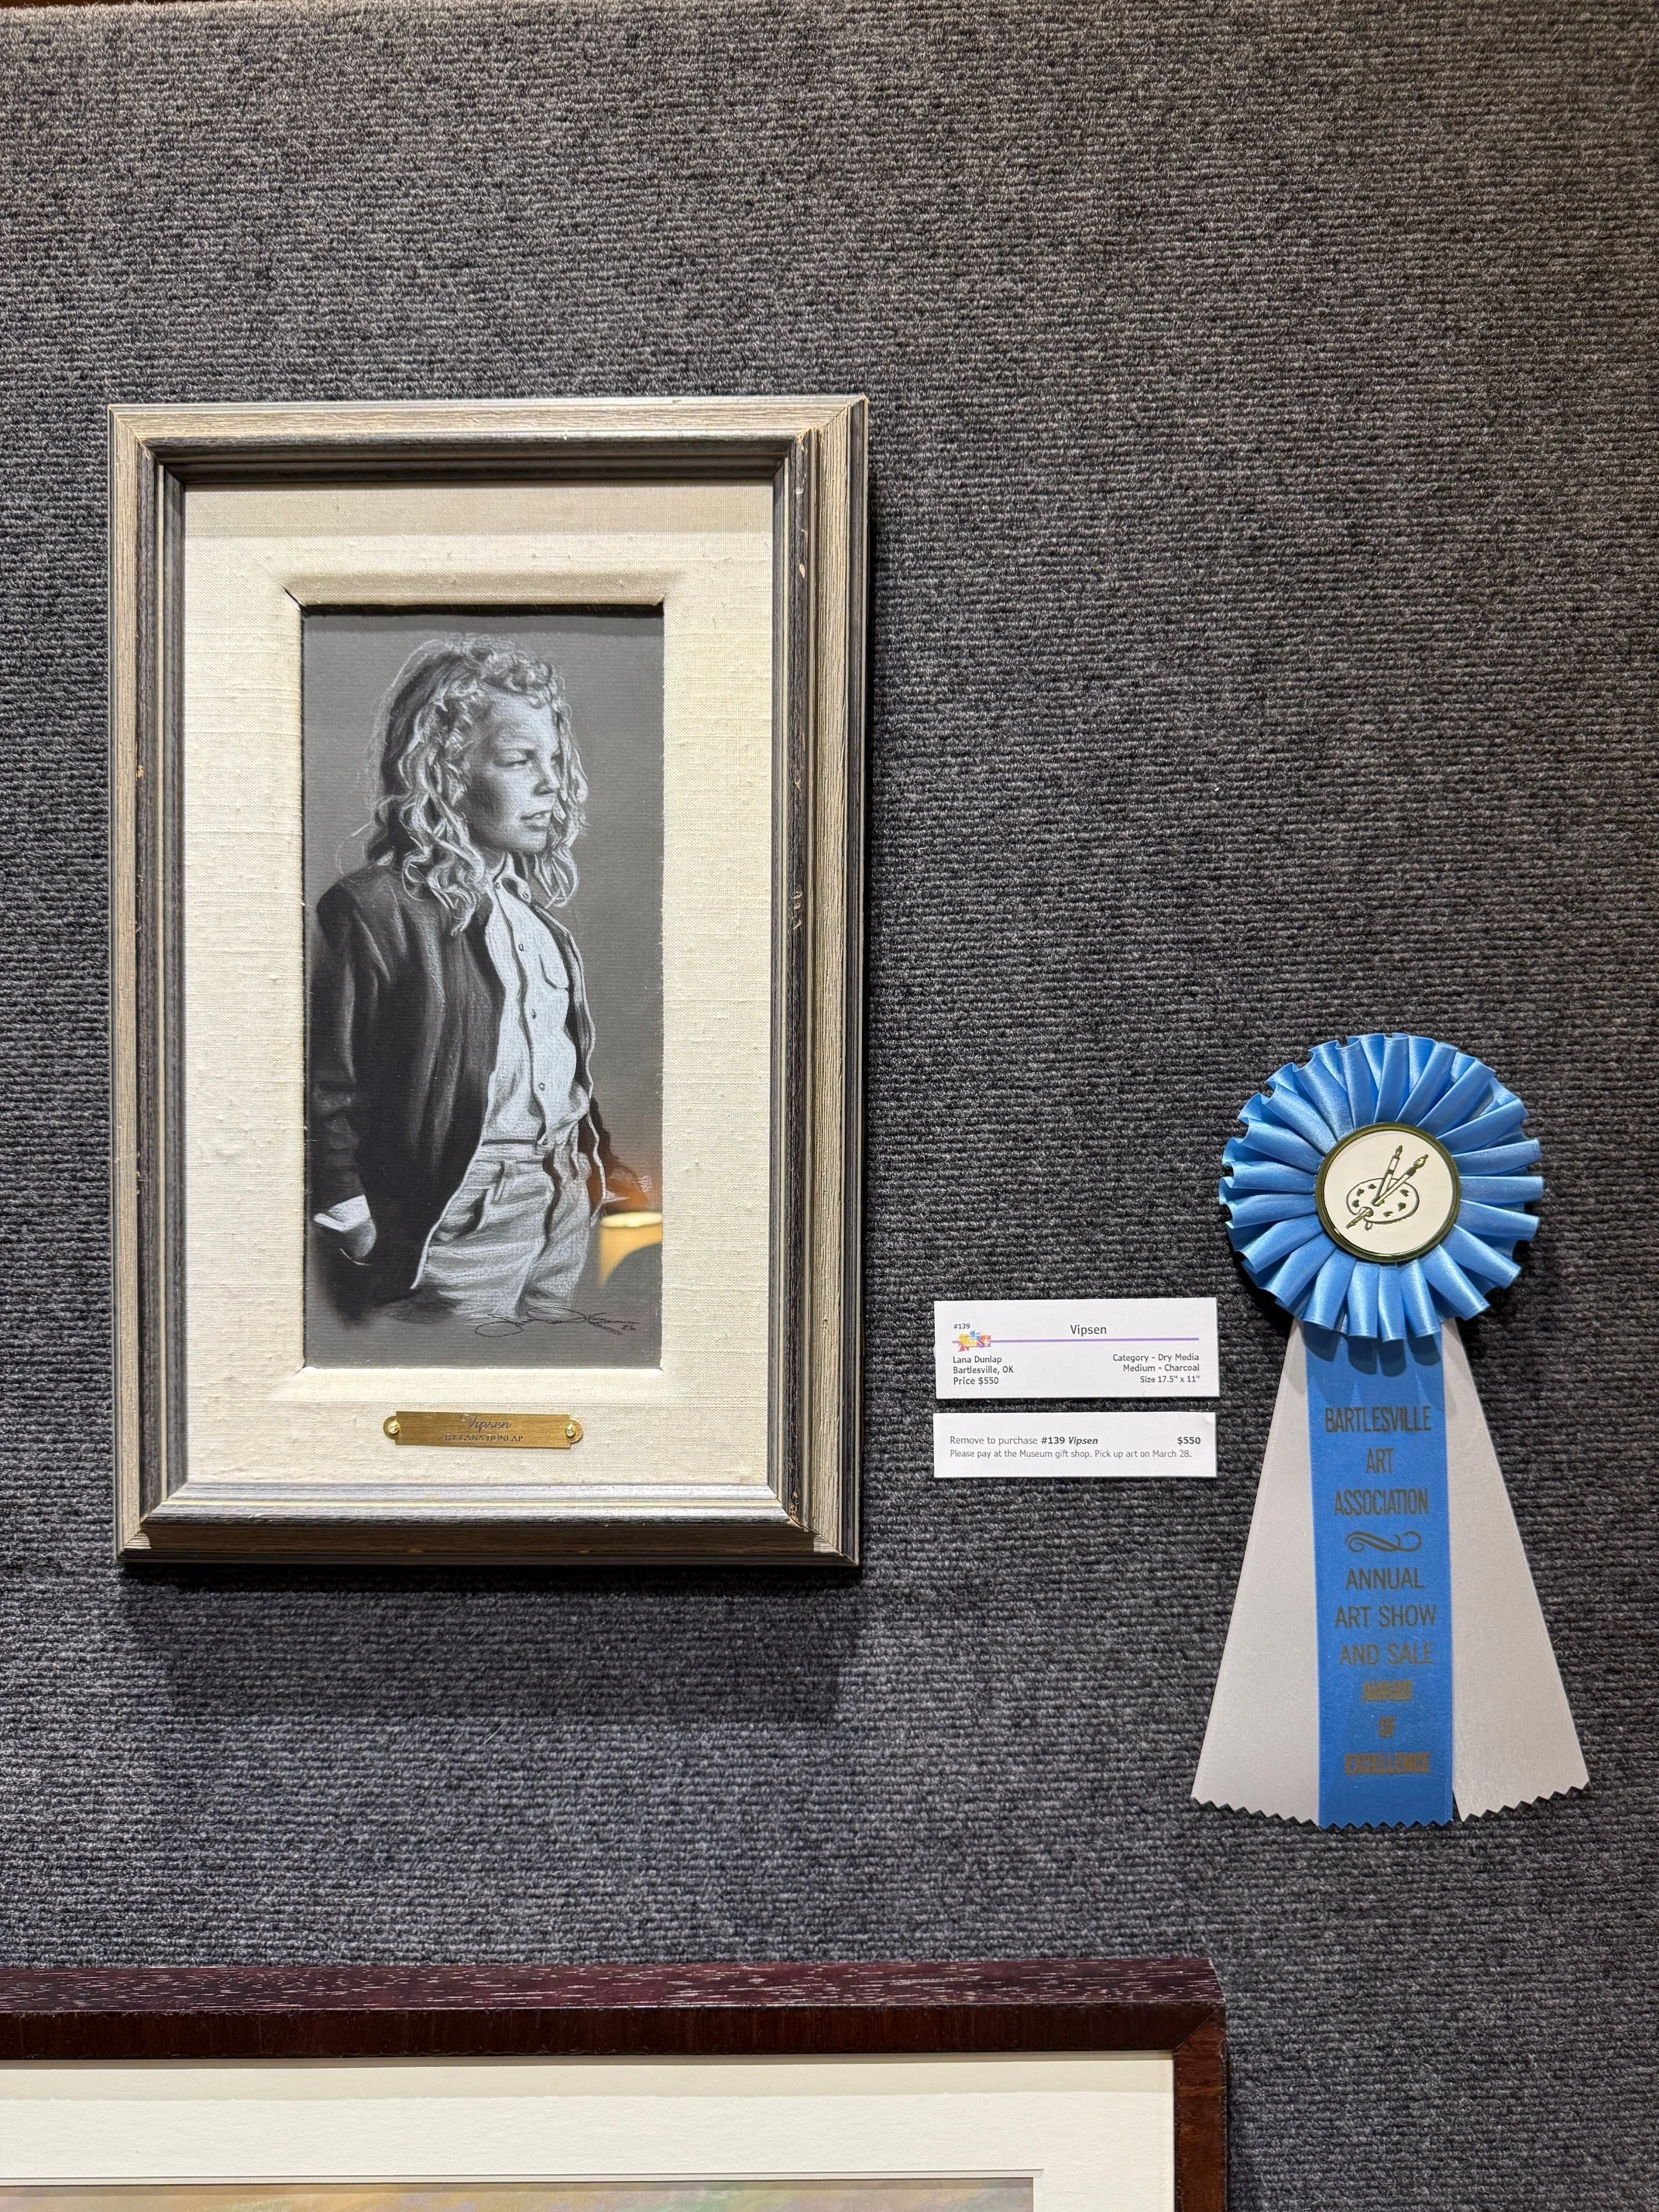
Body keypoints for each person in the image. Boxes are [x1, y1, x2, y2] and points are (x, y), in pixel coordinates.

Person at [308, 634, 647, 1323]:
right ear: (447, 772)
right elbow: (329, 1083)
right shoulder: (376, 909)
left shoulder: (542, 928)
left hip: (564, 1205)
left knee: (550, 1368)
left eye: (555, 759)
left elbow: (562, 1076)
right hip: (458, 1216)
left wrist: (602, 1172)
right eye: (521, 760)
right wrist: (352, 1217)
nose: (551, 783)